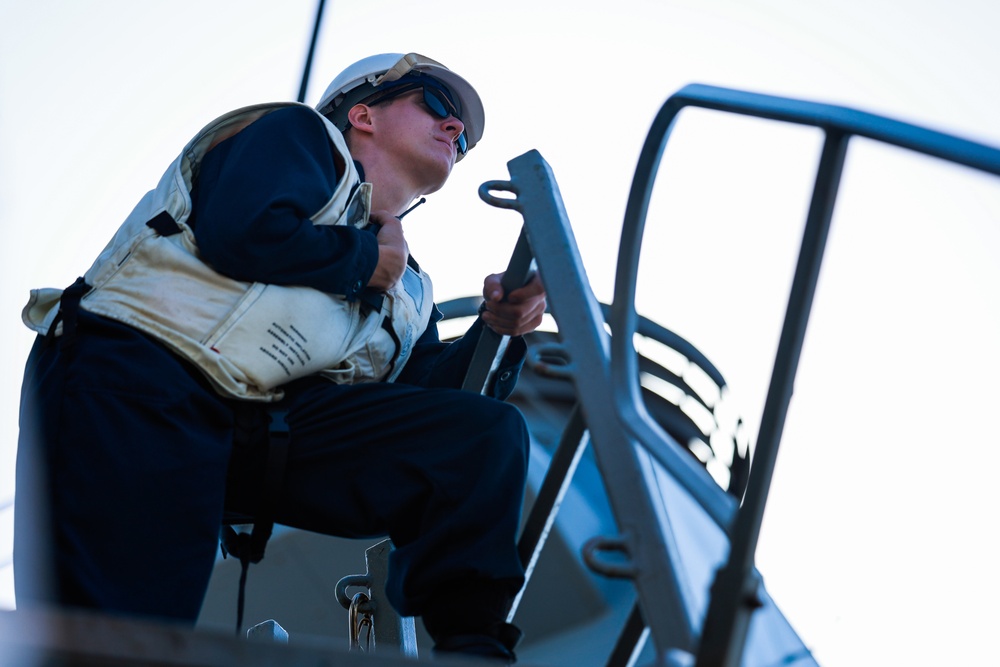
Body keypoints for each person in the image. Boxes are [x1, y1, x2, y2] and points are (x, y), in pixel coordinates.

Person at [15, 52, 546, 663]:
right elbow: (243, 228)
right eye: (436, 102)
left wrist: (497, 332)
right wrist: (363, 262)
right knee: (123, 631)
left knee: (476, 435)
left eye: (465, 134)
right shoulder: (297, 137)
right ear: (363, 113)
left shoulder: (411, 291)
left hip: (261, 428)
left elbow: (430, 401)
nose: (456, 129)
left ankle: (474, 642)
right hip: (139, 380)